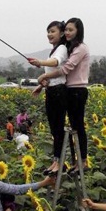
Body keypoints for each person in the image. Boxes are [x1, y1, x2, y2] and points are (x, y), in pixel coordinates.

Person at [37, 18, 90, 174]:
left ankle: (83, 161)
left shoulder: (80, 48)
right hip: (69, 90)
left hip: (78, 90)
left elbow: (65, 69)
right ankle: (74, 162)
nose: (67, 32)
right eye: (66, 29)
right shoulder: (70, 47)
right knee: (72, 128)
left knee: (78, 127)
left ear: (78, 31)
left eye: (70, 30)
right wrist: (42, 83)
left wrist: (43, 77)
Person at [28, 20, 68, 175]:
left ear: (62, 33)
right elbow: (53, 72)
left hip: (59, 92)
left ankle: (60, 162)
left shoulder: (62, 48)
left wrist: (40, 62)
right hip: (52, 90)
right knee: (54, 129)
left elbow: (56, 62)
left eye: (52, 31)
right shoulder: (54, 50)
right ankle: (56, 161)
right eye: (48, 32)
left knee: (58, 129)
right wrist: (41, 86)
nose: (49, 34)